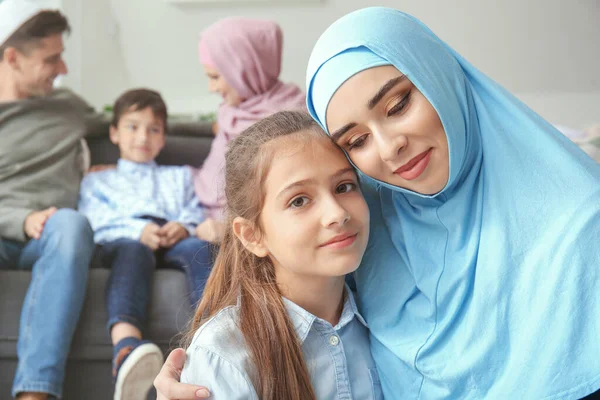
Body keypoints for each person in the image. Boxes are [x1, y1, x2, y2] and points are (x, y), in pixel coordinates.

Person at [155, 7, 600, 400]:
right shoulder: (374, 220)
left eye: (399, 103)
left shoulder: (583, 224)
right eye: (358, 140)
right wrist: (205, 372)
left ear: (438, 75)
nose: (390, 150)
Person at [181, 110, 380, 399]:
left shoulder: (389, 314)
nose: (337, 214)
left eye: (343, 186)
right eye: (299, 200)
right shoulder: (224, 356)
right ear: (252, 235)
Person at [78, 88, 212, 399]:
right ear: (114, 133)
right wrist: (139, 230)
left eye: (154, 130)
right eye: (132, 127)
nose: (143, 137)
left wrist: (183, 226)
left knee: (198, 249)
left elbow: (193, 208)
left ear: (163, 138)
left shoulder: (178, 176)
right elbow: (94, 219)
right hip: (124, 239)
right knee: (133, 251)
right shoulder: (97, 179)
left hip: (173, 236)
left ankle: (215, 335)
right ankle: (126, 348)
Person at [0, 2, 97, 399]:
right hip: (11, 224)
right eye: (51, 59)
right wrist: (20, 220)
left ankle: (35, 392)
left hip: (51, 233)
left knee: (71, 223)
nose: (63, 70)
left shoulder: (68, 107)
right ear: (12, 58)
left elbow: (134, 124)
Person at [193, 17, 306, 244]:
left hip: (246, 232)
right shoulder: (231, 113)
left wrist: (226, 228)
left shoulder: (292, 122)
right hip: (205, 222)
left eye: (215, 77)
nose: (211, 88)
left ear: (242, 68)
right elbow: (210, 179)